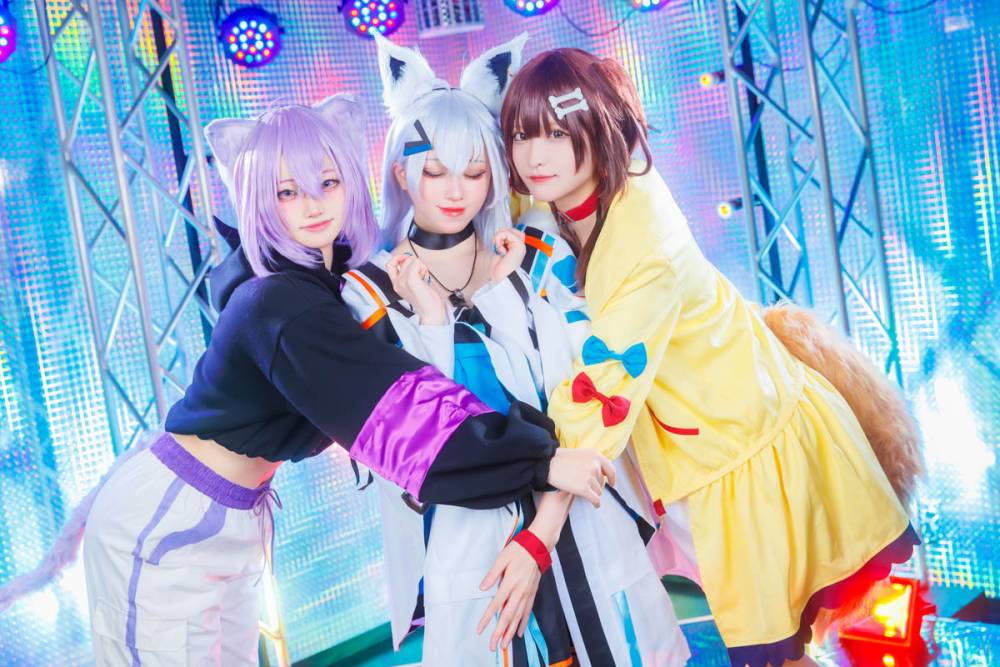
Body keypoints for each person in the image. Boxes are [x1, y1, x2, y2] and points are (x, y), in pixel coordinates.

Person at [0, 94, 614, 665]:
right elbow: (402, 417)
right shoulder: (280, 304)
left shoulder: (323, 282)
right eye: (287, 192)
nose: (313, 205)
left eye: (327, 183)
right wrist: (542, 461)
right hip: (171, 517)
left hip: (234, 512)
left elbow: (408, 383)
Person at [500, 47, 921, 667]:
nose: (534, 156)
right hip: (706, 448)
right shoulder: (590, 190)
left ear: (600, 126)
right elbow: (521, 204)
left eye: (557, 134)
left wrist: (539, 534)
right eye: (521, 135)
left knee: (776, 655)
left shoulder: (642, 244)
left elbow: (603, 392)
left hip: (744, 457)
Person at [339, 33, 689, 666]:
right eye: (434, 171)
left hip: (576, 507)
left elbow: (577, 388)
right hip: (469, 525)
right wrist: (433, 322)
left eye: (475, 173)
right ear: (400, 172)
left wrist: (506, 297)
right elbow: (410, 442)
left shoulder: (534, 254)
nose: (455, 191)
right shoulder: (370, 292)